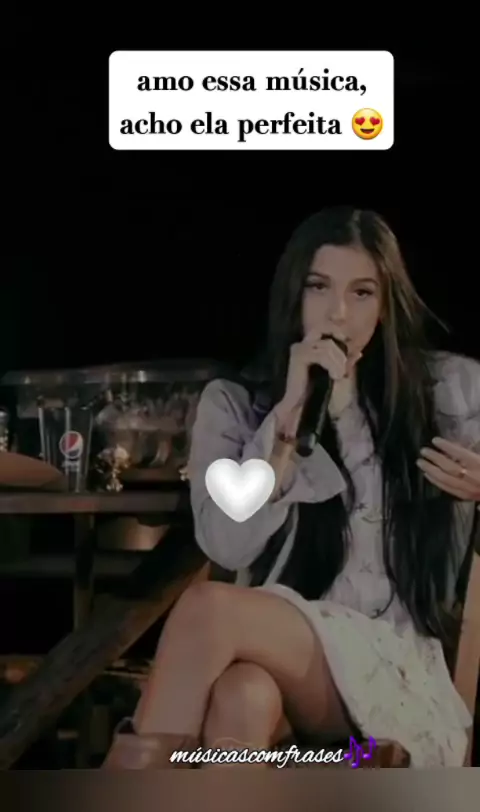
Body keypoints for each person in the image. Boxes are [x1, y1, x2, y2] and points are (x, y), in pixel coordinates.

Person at [104, 206, 480, 769]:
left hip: (397, 672)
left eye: (361, 293)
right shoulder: (236, 406)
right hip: (289, 665)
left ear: (385, 305)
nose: (338, 312)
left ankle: (122, 810)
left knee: (208, 609)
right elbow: (227, 545)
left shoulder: (449, 390)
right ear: (292, 295)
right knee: (242, 697)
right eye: (318, 287)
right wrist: (288, 418)